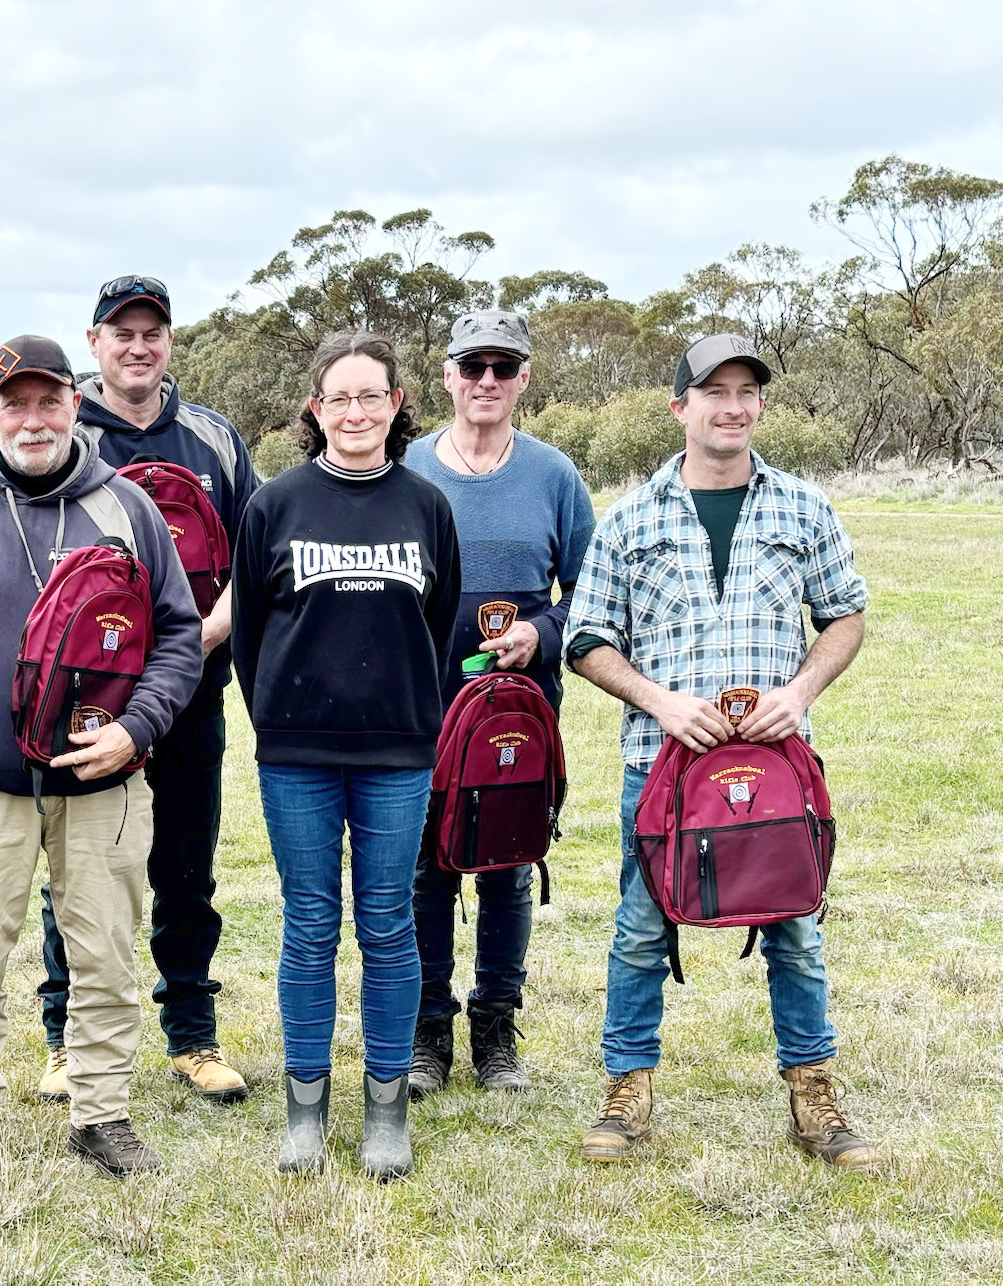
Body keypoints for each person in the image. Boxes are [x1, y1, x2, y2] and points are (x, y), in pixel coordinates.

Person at [0, 335, 203, 1183]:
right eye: (14, 403)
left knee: (104, 951)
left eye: (48, 400)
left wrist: (137, 729)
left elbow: (178, 634)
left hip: (102, 779)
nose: (33, 418)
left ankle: (101, 1113)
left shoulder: (127, 508)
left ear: (75, 402)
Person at [564, 334, 877, 1167]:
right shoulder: (631, 518)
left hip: (777, 771)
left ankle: (814, 1098)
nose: (733, 405)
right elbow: (587, 638)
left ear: (760, 406)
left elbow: (844, 614)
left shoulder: (803, 508)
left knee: (796, 932)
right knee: (638, 929)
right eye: (714, 391)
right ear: (680, 408)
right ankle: (627, 1090)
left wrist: (798, 694)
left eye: (747, 391)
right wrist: (660, 701)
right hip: (662, 768)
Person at [230, 331, 461, 1181]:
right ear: (315, 408)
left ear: (398, 406)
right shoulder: (276, 505)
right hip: (295, 753)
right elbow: (251, 635)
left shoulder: (427, 506)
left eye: (373, 395)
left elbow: (435, 631)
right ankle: (305, 1108)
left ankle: (386, 1108)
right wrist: (281, 719)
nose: (355, 411)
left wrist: (405, 714)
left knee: (390, 924)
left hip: (397, 754)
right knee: (309, 925)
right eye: (340, 397)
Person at [29, 275, 260, 1104]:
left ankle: (192, 1035)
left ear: (168, 342)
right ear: (94, 344)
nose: (137, 345)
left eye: (151, 331)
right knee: (78, 872)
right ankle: (64, 1038)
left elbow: (254, 559)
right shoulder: (64, 431)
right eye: (119, 331)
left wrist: (192, 642)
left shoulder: (215, 439)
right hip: (88, 701)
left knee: (186, 869)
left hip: (192, 691)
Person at [401, 310, 595, 1097]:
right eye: (472, 366)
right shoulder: (404, 467)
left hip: (516, 717)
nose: (487, 381)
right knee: (424, 870)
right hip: (420, 710)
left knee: (509, 868)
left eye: (502, 368)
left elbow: (592, 592)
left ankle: (496, 1031)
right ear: (447, 375)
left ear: (522, 380)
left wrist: (542, 633)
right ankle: (426, 1033)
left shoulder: (555, 476)